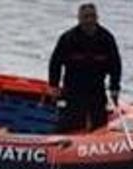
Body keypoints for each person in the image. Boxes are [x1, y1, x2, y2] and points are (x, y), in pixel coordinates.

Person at [48, 3, 122, 133]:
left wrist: (114, 87)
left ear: (97, 18)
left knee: (99, 126)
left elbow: (115, 65)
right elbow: (55, 63)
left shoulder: (106, 39)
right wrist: (54, 85)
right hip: (73, 89)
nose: (89, 20)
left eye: (92, 16)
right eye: (85, 17)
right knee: (69, 124)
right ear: (79, 18)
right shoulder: (68, 38)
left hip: (97, 90)